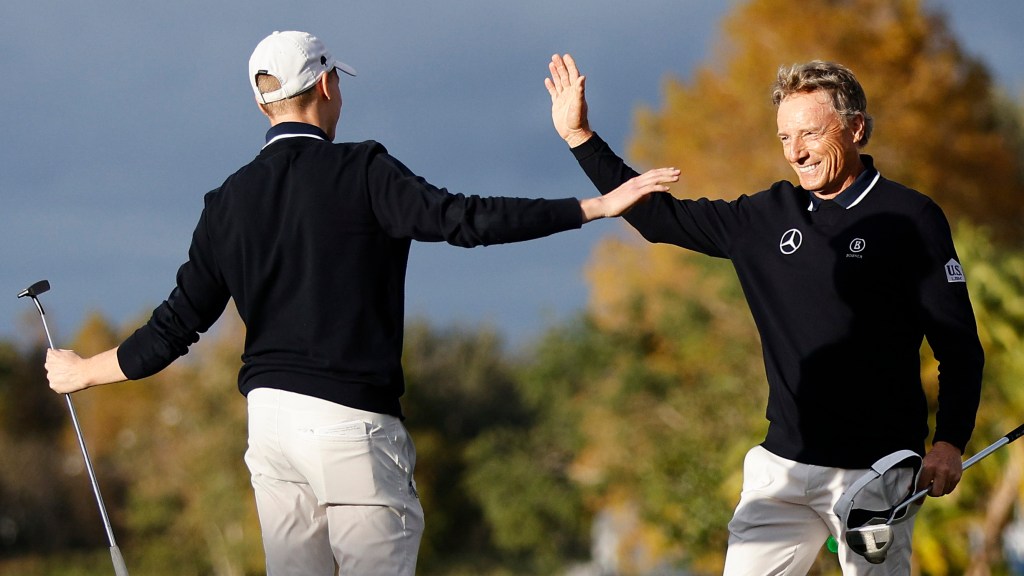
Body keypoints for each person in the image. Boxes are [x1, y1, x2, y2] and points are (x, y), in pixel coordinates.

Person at [43, 31, 679, 576]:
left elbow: (175, 327)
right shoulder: (365, 170)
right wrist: (595, 205)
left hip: (270, 427)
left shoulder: (226, 203)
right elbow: (465, 219)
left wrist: (81, 372)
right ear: (324, 85)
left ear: (261, 100)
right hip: (350, 425)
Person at [545, 53, 984, 574]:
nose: (796, 153)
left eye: (810, 135)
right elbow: (660, 219)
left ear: (857, 129)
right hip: (781, 472)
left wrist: (951, 441)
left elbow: (958, 347)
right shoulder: (766, 216)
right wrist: (580, 138)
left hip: (877, 476)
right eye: (784, 139)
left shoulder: (912, 218)